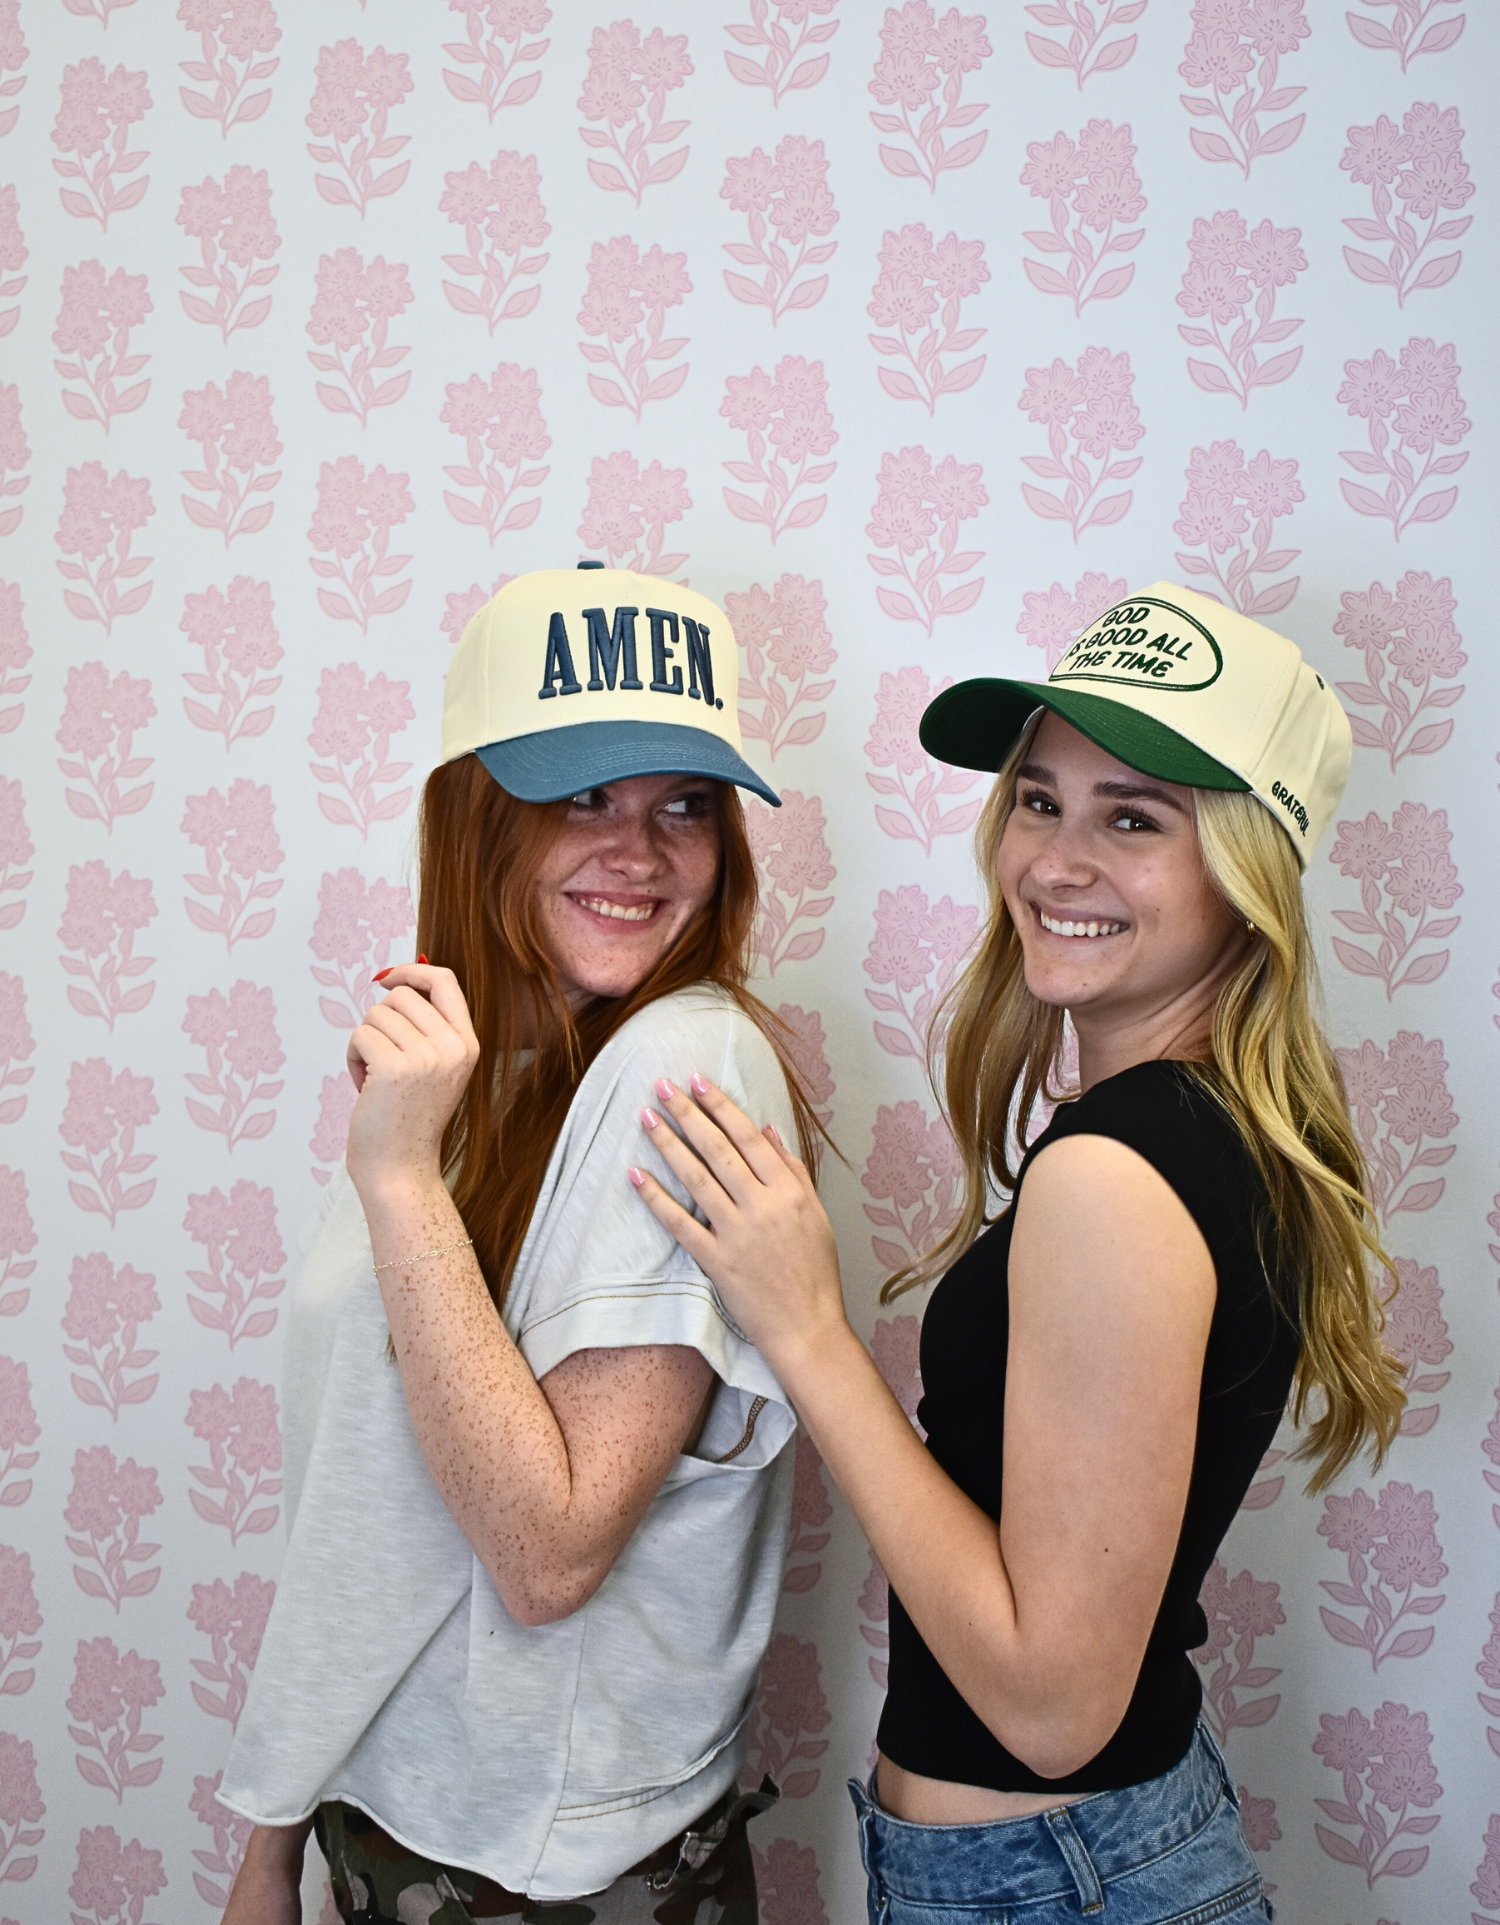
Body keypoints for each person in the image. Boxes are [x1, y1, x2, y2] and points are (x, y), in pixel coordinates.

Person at [630, 582, 1406, 1925]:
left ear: (1249, 868)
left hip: (1054, 1882)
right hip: (1085, 1863)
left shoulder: (1117, 1172)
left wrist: (806, 1330)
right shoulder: (1200, 1130)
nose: (1057, 862)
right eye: (1040, 800)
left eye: (1136, 819)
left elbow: (1052, 1707)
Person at [219, 565, 825, 1925]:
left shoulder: (689, 1062)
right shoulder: (470, 1069)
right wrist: (273, 1837)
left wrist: (398, 1180)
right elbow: (364, 1504)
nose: (644, 850)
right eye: (582, 795)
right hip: (391, 1825)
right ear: (476, 813)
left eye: (684, 803)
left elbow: (548, 1554)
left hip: (549, 1878)